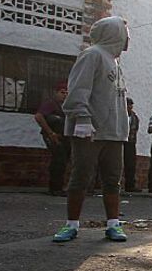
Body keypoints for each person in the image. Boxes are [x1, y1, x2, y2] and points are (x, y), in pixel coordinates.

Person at [52, 16, 130, 243]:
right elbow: (78, 89)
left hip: (114, 134)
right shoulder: (92, 54)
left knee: (112, 180)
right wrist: (83, 118)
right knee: (81, 177)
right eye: (125, 32)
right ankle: (71, 225)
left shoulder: (115, 62)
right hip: (90, 131)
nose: (128, 38)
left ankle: (114, 224)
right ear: (114, 33)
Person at [34, 81, 69, 196]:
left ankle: (57, 187)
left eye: (66, 93)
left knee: (62, 161)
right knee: (58, 160)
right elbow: (39, 116)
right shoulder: (50, 104)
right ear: (56, 93)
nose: (64, 95)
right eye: (62, 92)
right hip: (52, 136)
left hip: (63, 137)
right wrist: (50, 133)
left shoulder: (66, 107)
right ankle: (55, 188)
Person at [123, 97, 140, 193]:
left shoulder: (134, 117)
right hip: (120, 141)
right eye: (128, 105)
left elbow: (135, 129)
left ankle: (130, 185)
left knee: (130, 164)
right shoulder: (119, 115)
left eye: (130, 105)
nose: (129, 107)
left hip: (130, 142)